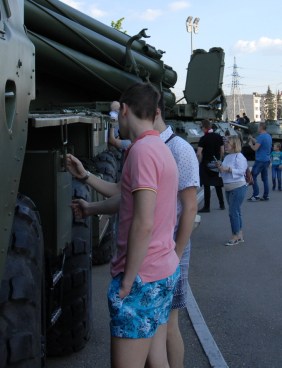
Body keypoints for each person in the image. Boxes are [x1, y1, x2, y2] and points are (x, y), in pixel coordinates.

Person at [67, 82, 180, 366]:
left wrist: (127, 281)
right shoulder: (156, 147)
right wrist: (87, 183)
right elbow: (124, 194)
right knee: (157, 361)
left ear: (125, 110)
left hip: (142, 278)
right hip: (162, 271)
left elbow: (143, 222)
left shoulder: (141, 153)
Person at [156, 96, 199, 368]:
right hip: (154, 251)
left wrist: (176, 255)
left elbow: (190, 208)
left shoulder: (178, 148)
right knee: (157, 325)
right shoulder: (148, 147)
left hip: (172, 248)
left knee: (169, 323)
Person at [217, 135, 249, 245]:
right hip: (229, 187)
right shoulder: (227, 157)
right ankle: (239, 234)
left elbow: (241, 171)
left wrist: (227, 168)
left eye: (228, 142)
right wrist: (220, 167)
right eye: (226, 142)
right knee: (236, 211)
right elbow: (224, 172)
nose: (226, 144)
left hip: (238, 187)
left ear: (234, 145)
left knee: (233, 212)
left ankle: (234, 236)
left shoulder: (239, 157)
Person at [197, 119, 224, 213]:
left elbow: (199, 153)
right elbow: (222, 150)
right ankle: (222, 204)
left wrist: (199, 163)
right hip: (216, 162)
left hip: (206, 163)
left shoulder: (203, 138)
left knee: (207, 185)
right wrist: (219, 160)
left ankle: (207, 206)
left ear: (204, 127)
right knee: (217, 185)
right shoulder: (218, 136)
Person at [247, 122, 272, 201]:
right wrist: (253, 139)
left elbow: (255, 148)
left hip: (260, 159)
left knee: (253, 175)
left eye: (258, 127)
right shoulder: (268, 136)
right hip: (267, 159)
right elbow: (259, 142)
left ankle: (256, 194)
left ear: (261, 128)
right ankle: (266, 195)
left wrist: (250, 144)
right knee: (265, 178)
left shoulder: (261, 136)